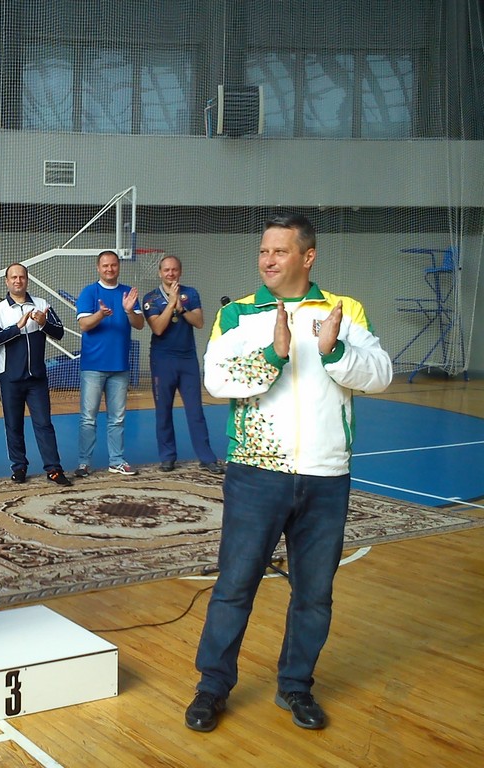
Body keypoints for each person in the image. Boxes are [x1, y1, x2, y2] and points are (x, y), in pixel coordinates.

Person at [184, 213, 392, 733]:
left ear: (308, 256)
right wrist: (273, 355)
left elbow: (380, 375)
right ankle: (212, 687)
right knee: (235, 585)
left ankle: (296, 686)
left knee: (314, 593)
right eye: (263, 251)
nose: (268, 260)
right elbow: (217, 380)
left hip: (326, 475)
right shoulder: (237, 314)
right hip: (256, 473)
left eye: (279, 251)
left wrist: (335, 350)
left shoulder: (343, 310)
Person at [0, 263, 71, 487]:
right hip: (9, 378)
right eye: (13, 277)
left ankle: (53, 469)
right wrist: (17, 327)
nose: (18, 281)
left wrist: (43, 323)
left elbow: (59, 332)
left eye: (21, 277)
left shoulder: (42, 305)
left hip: (37, 379)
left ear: (27, 279)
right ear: (7, 281)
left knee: (44, 424)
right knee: (13, 425)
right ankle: (19, 467)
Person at [142, 255, 224, 474]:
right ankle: (167, 457)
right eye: (166, 270)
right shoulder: (151, 298)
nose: (170, 273)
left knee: (195, 411)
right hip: (162, 360)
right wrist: (171, 304)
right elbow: (158, 328)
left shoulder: (191, 294)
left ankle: (207, 458)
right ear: (160, 273)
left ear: (180, 271)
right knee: (163, 411)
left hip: (187, 360)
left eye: (174, 270)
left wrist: (182, 308)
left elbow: (199, 322)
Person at [74, 250, 145, 478]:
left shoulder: (128, 293)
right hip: (93, 366)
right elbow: (84, 325)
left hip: (120, 366)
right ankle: (84, 463)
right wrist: (101, 314)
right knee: (88, 418)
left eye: (113, 265)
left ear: (118, 267)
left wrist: (128, 310)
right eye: (105, 265)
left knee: (117, 418)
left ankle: (117, 461)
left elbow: (140, 324)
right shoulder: (89, 292)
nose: (109, 269)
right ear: (98, 268)